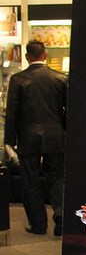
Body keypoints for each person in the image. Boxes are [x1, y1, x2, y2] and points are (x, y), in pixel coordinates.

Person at [3, 40, 68, 235]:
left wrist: (9, 141)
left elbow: (12, 113)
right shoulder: (60, 78)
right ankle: (60, 215)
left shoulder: (18, 79)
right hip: (55, 136)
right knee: (57, 178)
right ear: (45, 55)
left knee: (30, 181)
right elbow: (68, 110)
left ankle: (38, 225)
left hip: (28, 137)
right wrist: (65, 132)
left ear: (26, 57)